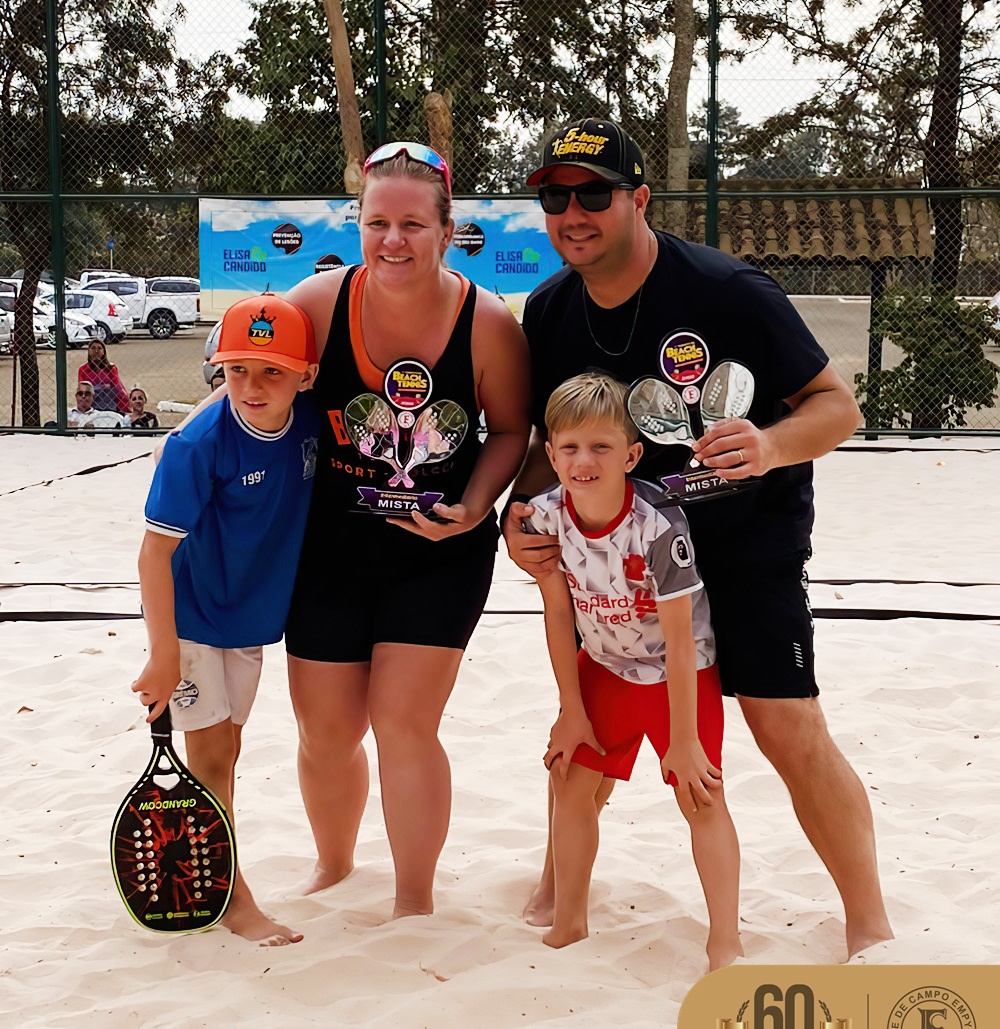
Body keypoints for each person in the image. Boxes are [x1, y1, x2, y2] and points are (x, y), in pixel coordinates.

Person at [507, 118, 892, 960]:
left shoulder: (728, 291)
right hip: (625, 554)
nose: (572, 213)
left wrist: (769, 444)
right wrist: (520, 509)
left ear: (640, 199)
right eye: (555, 198)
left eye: (594, 193)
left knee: (786, 725)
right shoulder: (550, 310)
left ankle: (868, 920)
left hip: (744, 542)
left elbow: (838, 407)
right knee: (590, 723)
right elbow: (545, 442)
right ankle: (557, 885)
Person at [281, 141, 530, 918]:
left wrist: (475, 506)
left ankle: (413, 901)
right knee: (327, 730)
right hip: (331, 547)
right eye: (377, 222)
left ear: (446, 232)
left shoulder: (486, 324)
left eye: (413, 224)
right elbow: (253, 387)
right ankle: (333, 864)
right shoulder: (316, 305)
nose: (393, 239)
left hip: (438, 550)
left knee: (404, 723)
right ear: (357, 225)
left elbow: (511, 430)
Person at [528, 374, 741, 965]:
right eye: (570, 448)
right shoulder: (547, 515)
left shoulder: (658, 525)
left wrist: (685, 741)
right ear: (552, 456)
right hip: (604, 666)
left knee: (701, 795)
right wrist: (570, 711)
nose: (584, 461)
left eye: (601, 446)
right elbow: (557, 614)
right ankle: (569, 921)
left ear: (631, 455)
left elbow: (680, 639)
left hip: (678, 674)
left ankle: (725, 939)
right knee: (568, 778)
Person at [131, 292, 320, 946]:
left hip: (249, 616)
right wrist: (162, 652)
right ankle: (234, 900)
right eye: (237, 369)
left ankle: (203, 868)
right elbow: (154, 553)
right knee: (211, 759)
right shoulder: (198, 444)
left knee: (227, 752)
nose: (252, 386)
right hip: (190, 620)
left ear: (306, 374)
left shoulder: (309, 421)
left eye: (272, 371)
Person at [77, 338, 129, 414]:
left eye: (99, 348)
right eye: (93, 348)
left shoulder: (111, 368)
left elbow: (117, 388)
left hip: (110, 405)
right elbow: (82, 389)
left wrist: (97, 388)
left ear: (104, 352)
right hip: (91, 404)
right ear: (88, 351)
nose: (96, 351)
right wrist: (102, 388)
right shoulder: (83, 370)